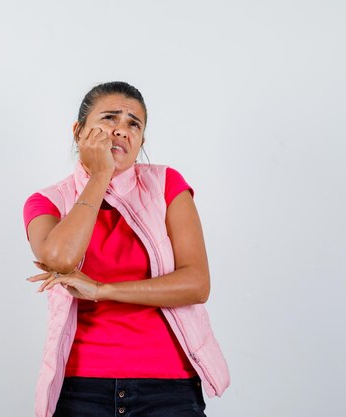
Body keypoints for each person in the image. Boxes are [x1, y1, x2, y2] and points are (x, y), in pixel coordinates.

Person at [24, 81, 230, 417]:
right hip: (82, 388)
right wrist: (100, 175)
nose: (121, 130)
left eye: (134, 124)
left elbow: (197, 284)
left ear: (141, 141)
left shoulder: (167, 185)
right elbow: (60, 259)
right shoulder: (47, 201)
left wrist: (103, 290)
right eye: (109, 118)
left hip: (168, 387)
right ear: (79, 132)